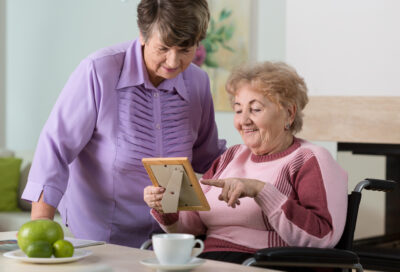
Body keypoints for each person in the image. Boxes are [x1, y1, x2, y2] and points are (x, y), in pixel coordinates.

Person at [22, 0, 226, 248]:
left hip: (170, 238)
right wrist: (41, 228)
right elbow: (55, 150)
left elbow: (208, 157)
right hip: (102, 237)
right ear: (142, 35)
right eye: (163, 48)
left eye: (185, 50)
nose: (173, 62)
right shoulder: (99, 71)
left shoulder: (198, 82)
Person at [144, 61, 348, 264]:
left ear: (289, 113)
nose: (244, 121)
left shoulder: (309, 159)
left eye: (256, 109)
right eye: (239, 110)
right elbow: (194, 226)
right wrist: (167, 206)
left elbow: (322, 236)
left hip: (266, 263)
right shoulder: (231, 156)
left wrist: (261, 190)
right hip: (208, 259)